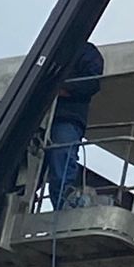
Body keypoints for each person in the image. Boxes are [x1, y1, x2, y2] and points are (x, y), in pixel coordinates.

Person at [45, 41, 105, 210]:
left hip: (67, 117)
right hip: (43, 118)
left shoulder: (86, 51)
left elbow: (92, 82)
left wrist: (63, 88)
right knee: (31, 164)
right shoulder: (50, 51)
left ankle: (63, 206)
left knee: (62, 158)